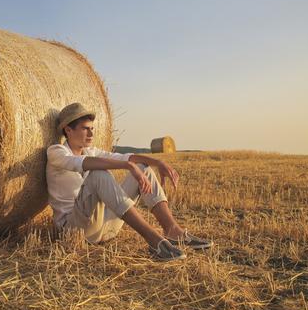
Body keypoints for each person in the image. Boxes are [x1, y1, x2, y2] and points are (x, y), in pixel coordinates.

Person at [46, 103, 213, 260]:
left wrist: (158, 163)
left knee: (142, 168)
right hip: (74, 231)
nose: (91, 134)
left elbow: (127, 157)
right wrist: (127, 166)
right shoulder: (56, 152)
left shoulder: (91, 151)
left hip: (104, 226)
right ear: (68, 130)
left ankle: (173, 231)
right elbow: (83, 163)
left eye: (92, 129)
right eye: (85, 129)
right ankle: (154, 240)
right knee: (98, 174)